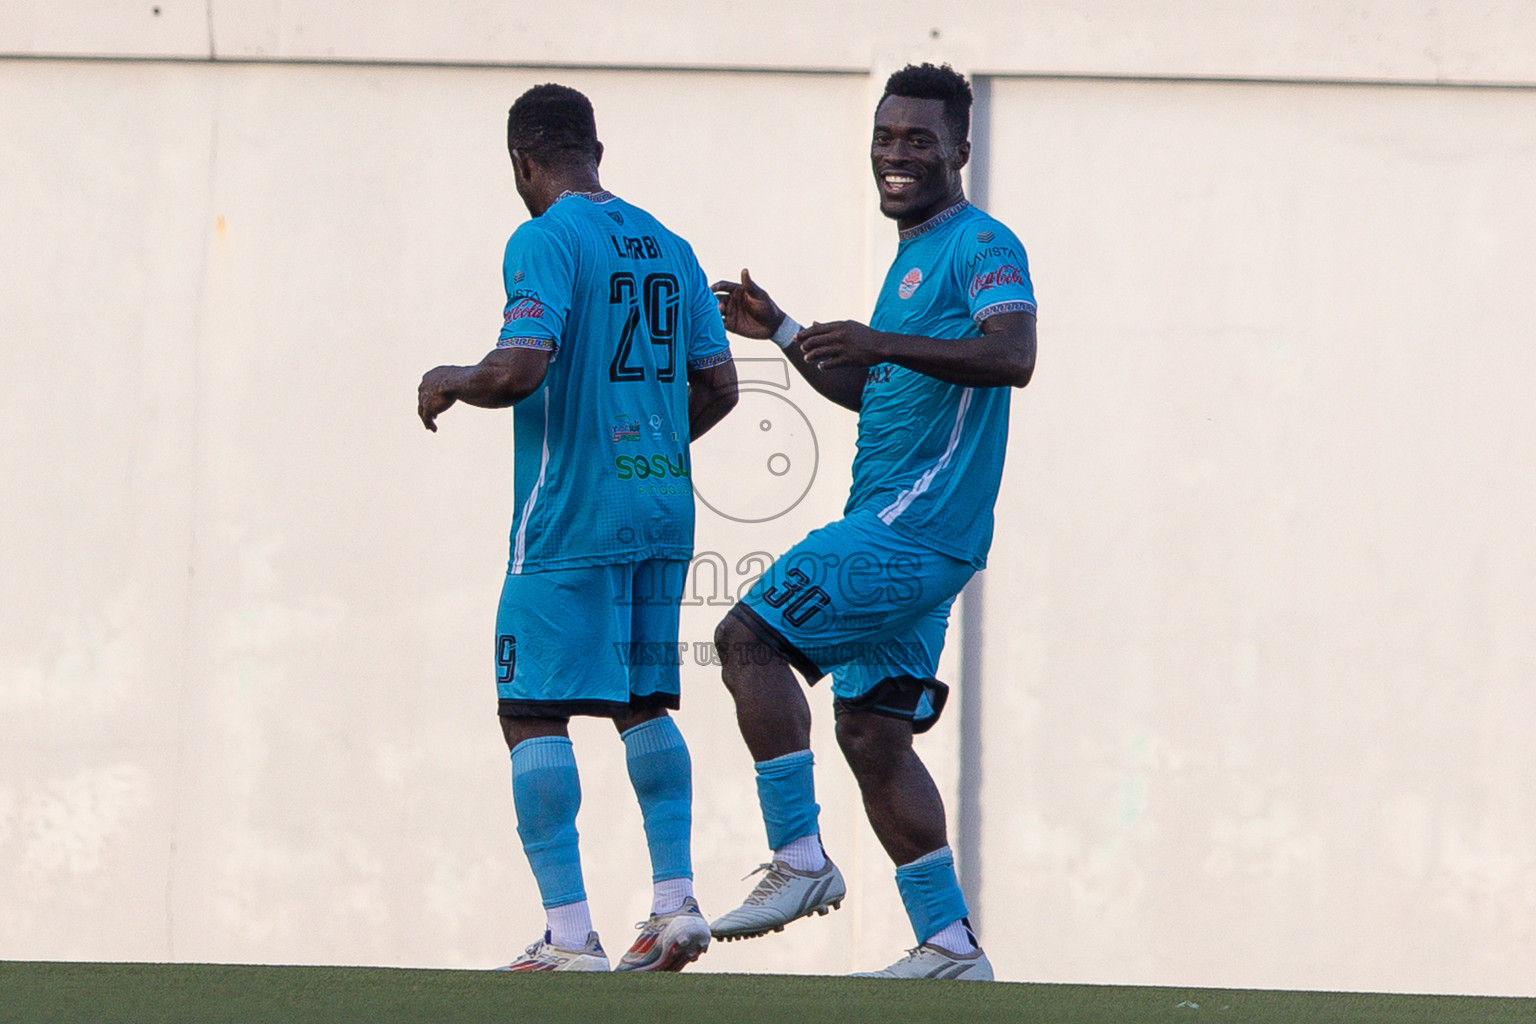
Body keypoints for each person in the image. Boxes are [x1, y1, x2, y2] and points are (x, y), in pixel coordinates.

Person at [707, 63, 1036, 980]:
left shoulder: (982, 244)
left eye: (918, 141)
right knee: (872, 733)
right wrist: (783, 333)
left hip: (908, 533)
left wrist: (882, 339)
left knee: (747, 641)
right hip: (916, 533)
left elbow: (1013, 355)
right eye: (886, 139)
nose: (896, 156)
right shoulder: (913, 256)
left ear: (960, 151)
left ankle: (799, 857)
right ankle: (950, 942)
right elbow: (881, 390)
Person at [417, 83, 739, 972]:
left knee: (530, 709)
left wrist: (452, 375)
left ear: (523, 161)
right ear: (597, 150)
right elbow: (719, 388)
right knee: (642, 699)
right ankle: (675, 904)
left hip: (570, 512)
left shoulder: (543, 238)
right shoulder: (669, 245)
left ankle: (568, 935)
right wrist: (649, 442)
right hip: (662, 503)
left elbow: (520, 369)